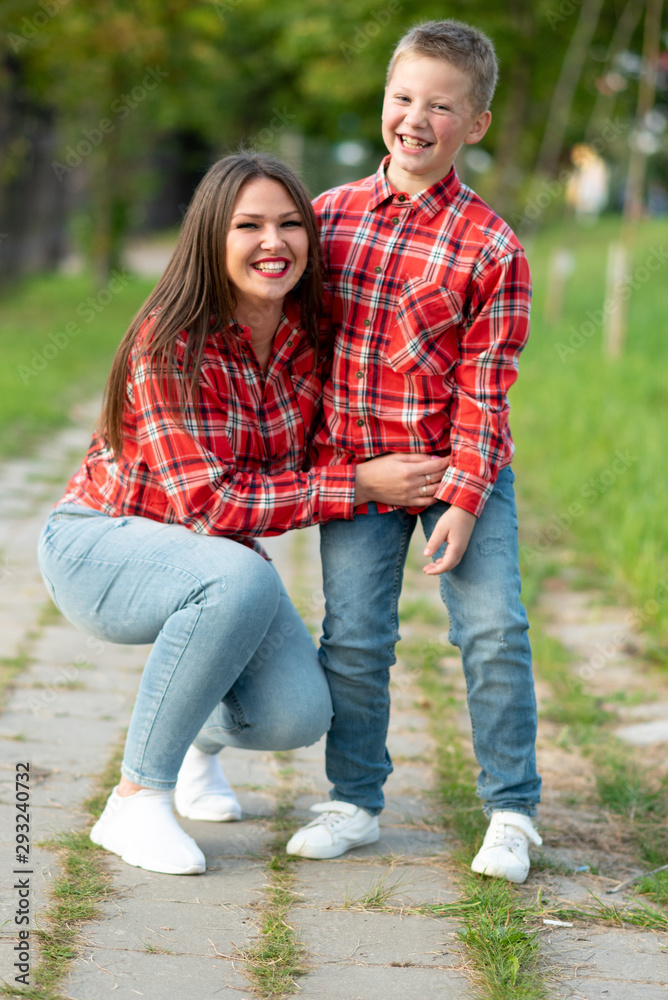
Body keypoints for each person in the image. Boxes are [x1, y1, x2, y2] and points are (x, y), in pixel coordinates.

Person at [37, 153, 449, 877]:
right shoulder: (172, 340)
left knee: (297, 714)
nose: (275, 242)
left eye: (291, 224)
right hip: (99, 547)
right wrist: (356, 486)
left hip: (215, 563)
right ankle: (135, 799)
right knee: (239, 574)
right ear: (210, 237)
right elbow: (212, 504)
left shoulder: (305, 337)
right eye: (249, 225)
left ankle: (193, 744)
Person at [285, 20, 543, 883]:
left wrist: (465, 497)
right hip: (358, 472)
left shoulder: (491, 246)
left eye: (442, 105)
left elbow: (486, 386)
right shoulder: (326, 219)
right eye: (403, 98)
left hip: (453, 469)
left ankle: (512, 811)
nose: (416, 118)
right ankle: (354, 800)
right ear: (384, 101)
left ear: (476, 123)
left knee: (494, 629)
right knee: (354, 638)